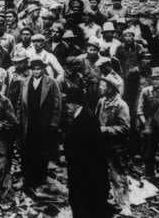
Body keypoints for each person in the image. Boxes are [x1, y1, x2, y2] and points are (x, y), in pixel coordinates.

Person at [62, 86, 111, 218]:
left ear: (75, 104)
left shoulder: (86, 119)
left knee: (83, 201)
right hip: (82, 168)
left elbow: (88, 148)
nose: (66, 106)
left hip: (86, 170)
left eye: (68, 103)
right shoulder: (81, 116)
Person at [19, 57, 61, 194]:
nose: (36, 71)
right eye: (34, 69)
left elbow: (57, 104)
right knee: (27, 149)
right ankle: (27, 178)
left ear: (43, 69)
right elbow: (20, 103)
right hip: (28, 122)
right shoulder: (25, 82)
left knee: (42, 150)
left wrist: (54, 123)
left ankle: (40, 178)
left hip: (44, 122)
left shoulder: (51, 82)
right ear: (31, 70)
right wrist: (19, 120)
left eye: (39, 69)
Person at [96, 77, 132, 216]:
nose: (100, 87)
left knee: (118, 176)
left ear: (111, 88)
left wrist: (105, 130)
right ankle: (106, 202)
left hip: (116, 147)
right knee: (101, 175)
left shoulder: (121, 105)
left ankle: (124, 205)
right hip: (102, 145)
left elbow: (125, 128)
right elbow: (96, 120)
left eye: (103, 85)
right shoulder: (101, 101)